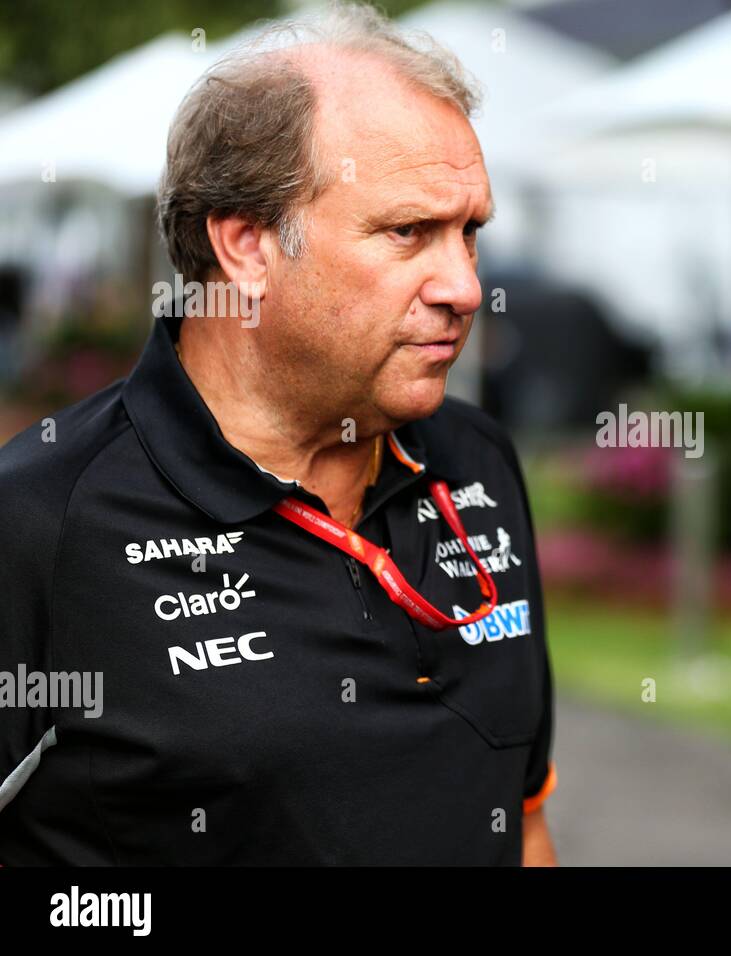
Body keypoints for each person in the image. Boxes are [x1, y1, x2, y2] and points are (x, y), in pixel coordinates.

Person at [0, 3, 557, 865]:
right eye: (408, 231)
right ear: (246, 245)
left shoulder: (476, 461)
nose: (463, 285)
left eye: (469, 234)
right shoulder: (40, 520)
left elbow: (522, 821)